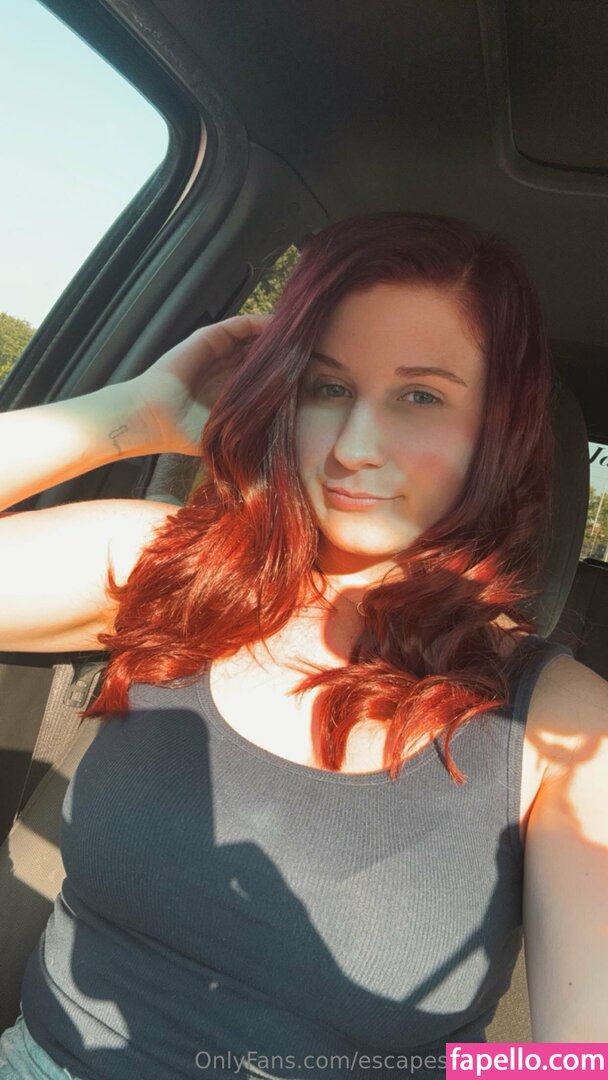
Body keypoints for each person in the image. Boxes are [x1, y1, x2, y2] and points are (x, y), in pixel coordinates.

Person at [0, 212, 606, 1080]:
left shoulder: (563, 725)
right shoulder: (167, 570)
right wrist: (133, 414)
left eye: (421, 396)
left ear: (498, 432)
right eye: (326, 387)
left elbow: (581, 1060)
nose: (354, 449)